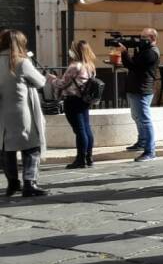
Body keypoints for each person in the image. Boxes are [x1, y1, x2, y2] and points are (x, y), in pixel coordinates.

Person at [0, 30, 48, 198]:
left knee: (7, 149)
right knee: (32, 148)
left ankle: (12, 184)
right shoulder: (21, 62)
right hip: (22, 112)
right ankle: (30, 183)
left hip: (2, 114)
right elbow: (40, 82)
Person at [50, 40, 98, 169]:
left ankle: (80, 159)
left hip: (73, 100)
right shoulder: (90, 66)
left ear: (76, 51)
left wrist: (52, 79)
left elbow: (62, 84)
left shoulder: (74, 66)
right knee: (86, 128)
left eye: (72, 49)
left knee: (79, 130)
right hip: (84, 100)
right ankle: (89, 157)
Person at [118, 27, 160, 161]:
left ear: (152, 39)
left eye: (143, 38)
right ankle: (142, 142)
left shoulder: (151, 53)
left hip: (142, 89)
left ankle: (150, 151)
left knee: (144, 120)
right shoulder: (144, 51)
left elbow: (132, 65)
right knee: (137, 117)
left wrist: (125, 52)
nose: (140, 41)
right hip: (136, 88)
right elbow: (132, 64)